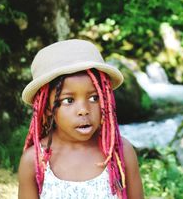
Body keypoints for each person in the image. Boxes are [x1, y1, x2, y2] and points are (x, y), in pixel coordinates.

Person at [18, 39, 144, 199]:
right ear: (48, 108)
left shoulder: (121, 153)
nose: (84, 110)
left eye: (94, 98)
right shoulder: (34, 162)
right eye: (68, 101)